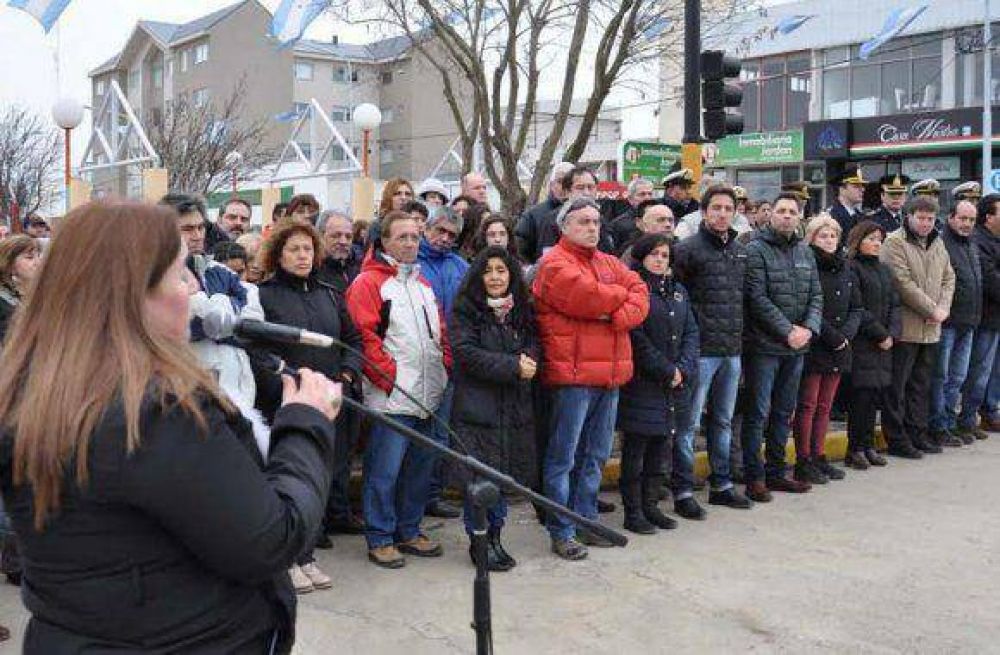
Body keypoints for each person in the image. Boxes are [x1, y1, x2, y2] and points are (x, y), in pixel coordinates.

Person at [0, 201, 342, 654]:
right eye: (180, 275)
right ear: (131, 293)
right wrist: (305, 423)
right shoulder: (158, 411)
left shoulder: (31, 386)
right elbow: (271, 540)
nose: (193, 291)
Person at [532, 196, 648, 560]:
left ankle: (587, 520)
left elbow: (640, 293)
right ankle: (562, 528)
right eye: (583, 221)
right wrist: (617, 301)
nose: (592, 228)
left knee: (595, 455)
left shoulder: (609, 261)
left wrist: (612, 313)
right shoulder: (552, 264)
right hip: (574, 376)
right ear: (563, 226)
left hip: (609, 376)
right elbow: (586, 297)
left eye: (596, 222)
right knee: (564, 457)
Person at [254, 220, 363, 593]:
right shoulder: (263, 295)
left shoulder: (330, 293)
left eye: (307, 249)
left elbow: (350, 339)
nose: (303, 256)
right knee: (288, 480)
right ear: (278, 254)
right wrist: (285, 382)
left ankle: (307, 554)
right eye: (294, 249)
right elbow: (258, 351)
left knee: (321, 477)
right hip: (284, 405)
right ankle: (288, 559)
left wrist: (348, 373)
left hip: (328, 403)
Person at [345, 210, 451, 569]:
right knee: (384, 470)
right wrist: (387, 378)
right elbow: (364, 336)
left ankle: (409, 529)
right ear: (383, 241)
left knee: (420, 468)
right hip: (393, 397)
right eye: (402, 237)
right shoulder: (368, 284)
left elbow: (441, 332)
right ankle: (380, 536)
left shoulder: (423, 286)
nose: (411, 243)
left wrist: (445, 366)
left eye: (415, 236)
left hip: (429, 393)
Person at [449, 246, 539, 570]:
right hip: (477, 412)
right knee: (479, 482)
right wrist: (513, 366)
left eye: (502, 270)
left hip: (512, 411)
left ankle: (497, 538)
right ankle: (479, 542)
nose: (496, 277)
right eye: (489, 271)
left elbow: (534, 342)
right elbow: (466, 353)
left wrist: (530, 359)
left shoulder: (521, 309)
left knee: (502, 480)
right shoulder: (465, 310)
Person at [672, 185, 753, 518]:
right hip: (701, 352)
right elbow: (679, 301)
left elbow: (742, 301)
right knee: (688, 424)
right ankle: (683, 490)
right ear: (704, 212)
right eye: (716, 207)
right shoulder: (687, 250)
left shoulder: (738, 250)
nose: (722, 213)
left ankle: (722, 485)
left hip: (731, 351)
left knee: (722, 421)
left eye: (728, 208)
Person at [741, 193, 823, 500]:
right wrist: (787, 330)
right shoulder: (755, 251)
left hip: (798, 346)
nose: (787, 216)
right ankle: (755, 477)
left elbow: (816, 295)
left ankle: (777, 472)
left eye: (793, 212)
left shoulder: (805, 252)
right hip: (765, 346)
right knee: (758, 412)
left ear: (800, 217)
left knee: (783, 412)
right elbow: (757, 298)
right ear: (770, 214)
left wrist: (808, 329)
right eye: (781, 211)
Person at [616, 234, 698, 534]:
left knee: (660, 448)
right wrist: (666, 370)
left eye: (665, 255)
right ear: (642, 257)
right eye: (654, 254)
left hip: (673, 384)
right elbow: (637, 338)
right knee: (636, 449)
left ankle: (651, 506)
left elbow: (691, 331)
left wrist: (684, 368)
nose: (660, 260)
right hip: (644, 382)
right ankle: (633, 511)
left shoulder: (678, 292)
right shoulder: (635, 291)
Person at [159, 193, 264, 412]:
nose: (197, 235)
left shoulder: (218, 270)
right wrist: (207, 315)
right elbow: (178, 328)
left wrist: (222, 308)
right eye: (187, 229)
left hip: (237, 392)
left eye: (200, 227)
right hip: (186, 397)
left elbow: (250, 313)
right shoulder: (155, 277)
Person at [880, 195, 956, 458]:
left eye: (930, 218)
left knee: (920, 386)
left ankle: (917, 433)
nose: (925, 223)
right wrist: (931, 309)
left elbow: (949, 277)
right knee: (897, 387)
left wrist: (943, 309)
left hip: (931, 328)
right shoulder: (894, 242)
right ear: (909, 216)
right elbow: (902, 283)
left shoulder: (938, 243)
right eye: (921, 218)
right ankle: (897, 438)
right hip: (906, 328)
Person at [792, 214, 863, 484]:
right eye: (823, 235)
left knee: (825, 405)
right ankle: (804, 459)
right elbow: (805, 305)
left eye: (833, 235)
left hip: (841, 344)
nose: (829, 240)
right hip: (817, 344)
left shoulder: (846, 266)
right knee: (808, 405)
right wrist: (832, 335)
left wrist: (845, 335)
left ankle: (819, 455)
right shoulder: (806, 264)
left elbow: (857, 306)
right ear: (811, 238)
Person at [417, 206, 469, 518]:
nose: (445, 238)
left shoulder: (460, 266)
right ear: (427, 227)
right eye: (441, 231)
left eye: (452, 235)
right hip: (416, 358)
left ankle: (431, 495)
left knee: (440, 433)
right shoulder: (411, 262)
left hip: (450, 361)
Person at [929, 200, 982, 446]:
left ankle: (949, 423)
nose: (967, 224)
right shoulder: (941, 244)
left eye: (971, 220)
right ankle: (938, 425)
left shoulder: (971, 243)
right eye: (962, 218)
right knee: (941, 376)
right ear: (950, 217)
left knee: (957, 377)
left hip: (968, 322)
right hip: (948, 322)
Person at [958, 193, 1000, 439]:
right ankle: (969, 415)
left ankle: (990, 410)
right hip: (985, 316)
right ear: (988, 217)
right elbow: (990, 279)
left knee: (994, 371)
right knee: (979, 369)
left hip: (995, 317)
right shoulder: (979, 241)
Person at [516, 162, 575, 263]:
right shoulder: (532, 215)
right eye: (560, 181)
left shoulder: (590, 214)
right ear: (551, 185)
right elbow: (520, 250)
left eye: (570, 182)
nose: (565, 186)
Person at [0, 235, 40, 340]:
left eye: (38, 256)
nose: (38, 262)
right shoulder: (3, 302)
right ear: (10, 264)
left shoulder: (41, 291)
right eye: (30, 258)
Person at [619, 200, 675, 268]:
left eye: (671, 220)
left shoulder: (682, 249)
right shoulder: (633, 252)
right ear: (646, 226)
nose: (668, 224)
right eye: (661, 220)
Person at [317, 211, 362, 293]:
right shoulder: (309, 272)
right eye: (336, 236)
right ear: (320, 236)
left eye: (348, 237)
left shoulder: (359, 270)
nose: (343, 242)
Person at [609, 178, 656, 253]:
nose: (647, 198)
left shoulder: (660, 218)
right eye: (642, 194)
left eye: (650, 194)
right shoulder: (619, 224)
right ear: (630, 199)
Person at [828, 165, 866, 244]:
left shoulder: (860, 216)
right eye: (856, 186)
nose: (862, 190)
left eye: (862, 186)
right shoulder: (832, 216)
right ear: (842, 189)